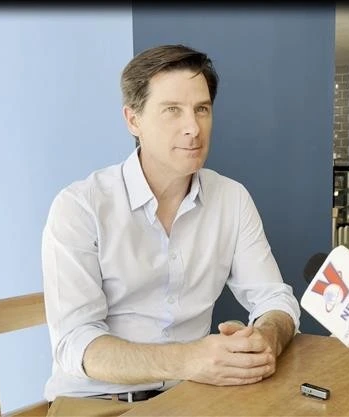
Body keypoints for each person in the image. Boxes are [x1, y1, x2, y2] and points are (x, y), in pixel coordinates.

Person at [41, 44, 301, 411]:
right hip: (95, 401)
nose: (193, 128)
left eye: (202, 109)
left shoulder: (232, 198)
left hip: (193, 397)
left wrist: (266, 338)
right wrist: (190, 359)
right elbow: (76, 343)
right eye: (172, 111)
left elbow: (275, 298)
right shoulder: (80, 206)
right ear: (133, 120)